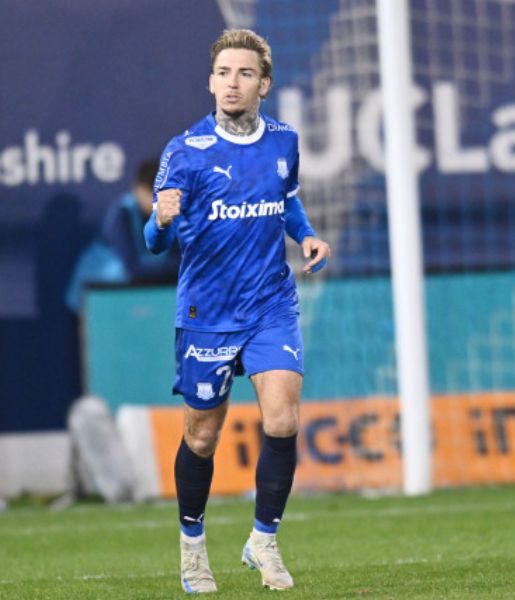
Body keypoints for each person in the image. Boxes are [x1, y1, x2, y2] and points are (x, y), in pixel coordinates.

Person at [144, 29, 330, 593]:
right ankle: (192, 547)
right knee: (202, 436)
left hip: (271, 303)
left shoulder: (284, 141)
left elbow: (286, 200)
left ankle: (263, 540)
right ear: (210, 82)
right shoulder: (185, 151)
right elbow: (153, 242)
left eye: (245, 73)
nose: (233, 83)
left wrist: (306, 234)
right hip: (208, 312)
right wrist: (162, 219)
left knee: (283, 420)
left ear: (263, 84)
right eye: (224, 73)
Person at [64, 159, 179, 313]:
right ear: (138, 189)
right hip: (97, 299)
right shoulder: (121, 215)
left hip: (141, 300)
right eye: (151, 195)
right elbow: (133, 268)